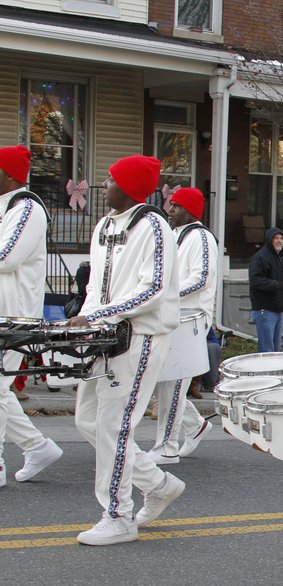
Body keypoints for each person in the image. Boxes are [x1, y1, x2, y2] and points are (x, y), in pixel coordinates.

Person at [67, 155, 185, 545]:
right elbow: (94, 288)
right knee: (88, 419)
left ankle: (118, 515)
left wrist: (98, 314)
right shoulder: (103, 225)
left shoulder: (155, 226)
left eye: (111, 179)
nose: (104, 184)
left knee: (115, 425)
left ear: (130, 187)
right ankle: (158, 483)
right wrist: (84, 320)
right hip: (103, 335)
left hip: (139, 337)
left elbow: (152, 289)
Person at [0, 145, 63, 488]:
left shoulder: (27, 208)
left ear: (9, 175)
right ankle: (37, 446)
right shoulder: (7, 208)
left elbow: (6, 257)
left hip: (14, 316)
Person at [147, 188, 217, 464]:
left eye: (176, 206)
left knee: (173, 382)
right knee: (165, 381)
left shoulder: (201, 237)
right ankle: (195, 425)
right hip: (174, 314)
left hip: (191, 318)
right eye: (170, 204)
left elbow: (200, 279)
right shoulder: (178, 236)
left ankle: (166, 446)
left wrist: (164, 293)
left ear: (191, 210)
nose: (169, 209)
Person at [248, 227, 283, 352]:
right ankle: (265, 371)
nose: (279, 241)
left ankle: (273, 371)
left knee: (275, 350)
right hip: (264, 310)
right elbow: (255, 280)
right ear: (269, 240)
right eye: (276, 238)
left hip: (278, 309)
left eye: (281, 238)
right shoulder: (260, 258)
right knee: (267, 349)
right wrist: (276, 284)